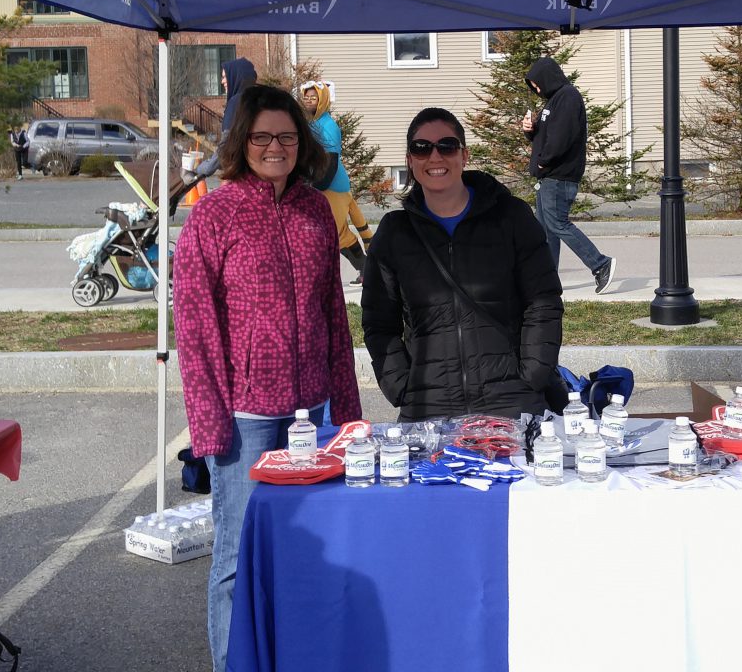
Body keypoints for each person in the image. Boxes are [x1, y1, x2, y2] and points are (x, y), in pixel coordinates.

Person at [172, 83, 362, 672]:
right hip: (246, 415)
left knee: (311, 553)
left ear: (300, 141)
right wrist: (209, 424)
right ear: (242, 143)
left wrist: (348, 411)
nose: (274, 146)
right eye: (262, 137)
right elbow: (196, 325)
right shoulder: (214, 215)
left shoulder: (312, 211)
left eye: (285, 135)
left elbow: (334, 313)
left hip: (314, 411)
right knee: (237, 555)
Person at [362, 107, 563, 421]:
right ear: (410, 159)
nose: (435, 156)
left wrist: (532, 375)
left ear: (464, 155)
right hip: (428, 408)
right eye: (421, 148)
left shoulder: (511, 217)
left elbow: (543, 302)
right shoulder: (394, 233)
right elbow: (379, 323)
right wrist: (401, 386)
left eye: (447, 146)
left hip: (510, 402)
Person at [523, 56, 617, 294]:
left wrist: (544, 162)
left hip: (559, 176)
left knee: (558, 224)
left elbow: (562, 137)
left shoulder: (568, 97)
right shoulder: (554, 101)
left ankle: (600, 264)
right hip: (549, 176)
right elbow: (546, 137)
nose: (536, 88)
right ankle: (548, 279)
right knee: (546, 230)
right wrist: (530, 130)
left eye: (536, 83)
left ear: (546, 76)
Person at [300, 80, 371, 283]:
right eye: (306, 97)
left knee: (334, 234)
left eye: (314, 98)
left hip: (331, 186)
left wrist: (317, 185)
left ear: (323, 100)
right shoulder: (312, 124)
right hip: (326, 184)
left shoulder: (328, 126)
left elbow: (331, 161)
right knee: (338, 233)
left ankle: (365, 269)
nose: (309, 101)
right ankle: (366, 269)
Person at [195, 57, 257, 179]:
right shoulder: (258, 100)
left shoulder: (237, 102)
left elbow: (226, 144)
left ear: (236, 76)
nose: (222, 81)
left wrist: (202, 168)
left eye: (224, 77)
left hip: (243, 177)